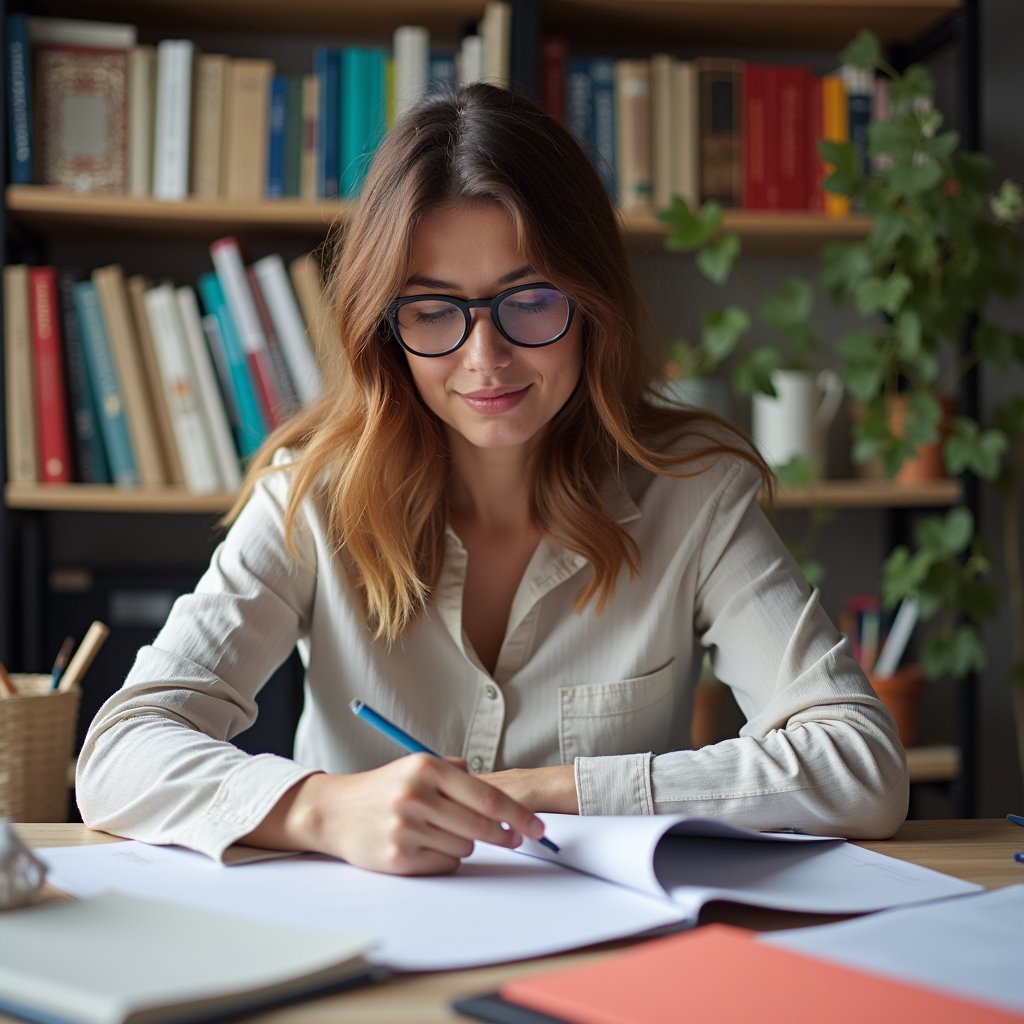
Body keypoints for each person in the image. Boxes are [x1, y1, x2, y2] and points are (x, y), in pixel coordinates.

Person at [76, 84, 908, 875]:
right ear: (385, 330)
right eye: (433, 309)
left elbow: (861, 764)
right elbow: (118, 752)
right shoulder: (313, 499)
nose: (485, 359)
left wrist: (541, 796)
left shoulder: (693, 494)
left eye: (530, 297)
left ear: (592, 305)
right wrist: (322, 811)